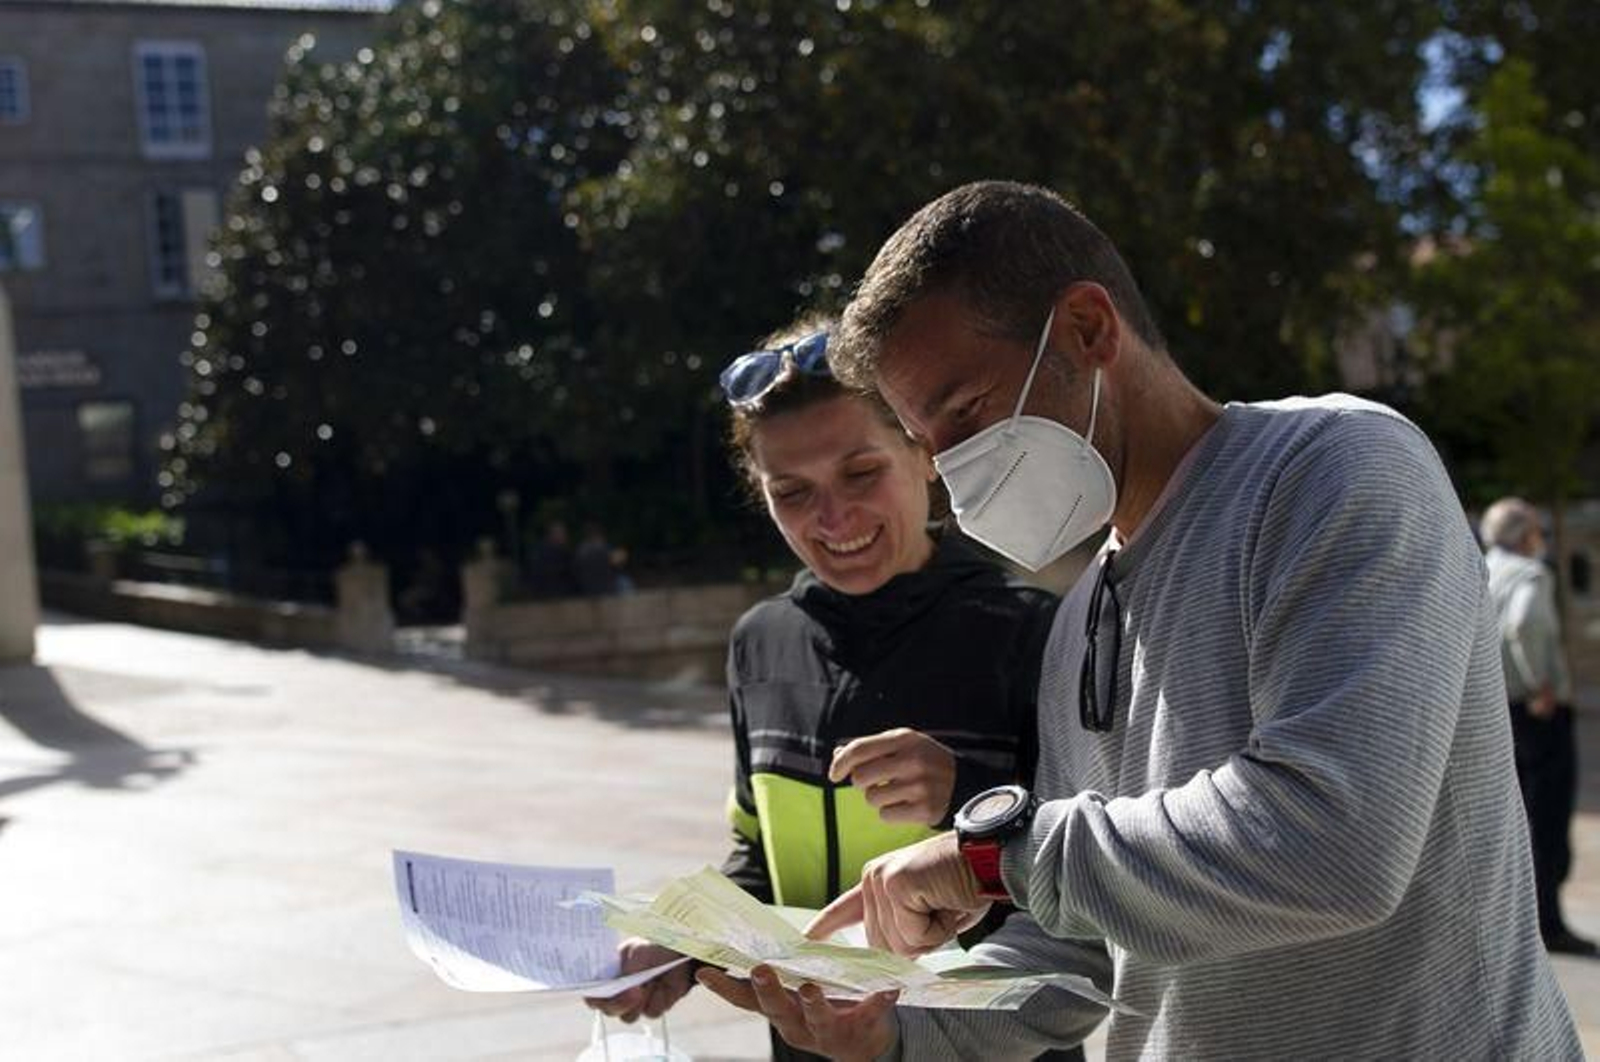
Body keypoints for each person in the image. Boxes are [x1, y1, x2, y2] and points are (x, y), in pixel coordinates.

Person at [698, 181, 1582, 1060]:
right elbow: (1079, 946)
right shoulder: (1080, 619)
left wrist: (991, 856)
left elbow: (1332, 843)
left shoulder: (1335, 470)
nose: (956, 472)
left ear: (1088, 329)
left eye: (966, 411)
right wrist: (897, 1025)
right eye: (931, 443)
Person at [587, 316, 1095, 1061]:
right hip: (812, 1046)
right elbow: (759, 855)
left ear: (924, 454)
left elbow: (1094, 869)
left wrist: (967, 793)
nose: (833, 518)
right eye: (791, 491)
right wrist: (679, 947)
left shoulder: (1030, 630)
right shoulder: (760, 642)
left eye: (861, 474)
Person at [1482, 497, 1595, 956]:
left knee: (1511, 817)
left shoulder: (1483, 569)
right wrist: (1540, 684)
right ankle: (1547, 924)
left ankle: (1513, 923)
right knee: (1545, 819)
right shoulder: (1530, 574)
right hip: (1536, 710)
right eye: (1536, 530)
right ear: (1525, 535)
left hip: (1498, 710)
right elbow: (1525, 622)